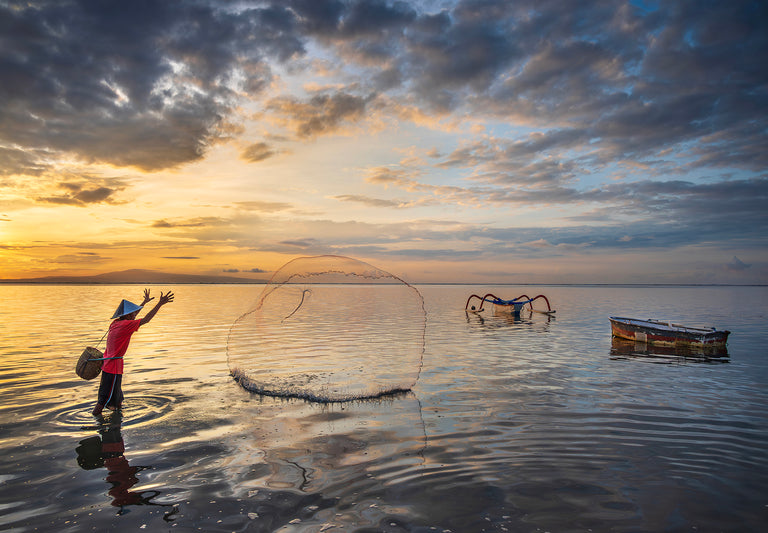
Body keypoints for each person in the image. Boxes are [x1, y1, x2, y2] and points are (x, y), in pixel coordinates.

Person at [92, 289, 174, 416]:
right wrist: (159, 304)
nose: (134, 314)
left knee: (118, 399)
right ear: (127, 315)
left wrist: (144, 302)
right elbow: (146, 319)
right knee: (102, 401)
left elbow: (134, 316)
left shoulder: (115, 323)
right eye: (132, 313)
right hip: (112, 368)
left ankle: (118, 423)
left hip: (109, 365)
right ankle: (93, 425)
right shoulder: (126, 325)